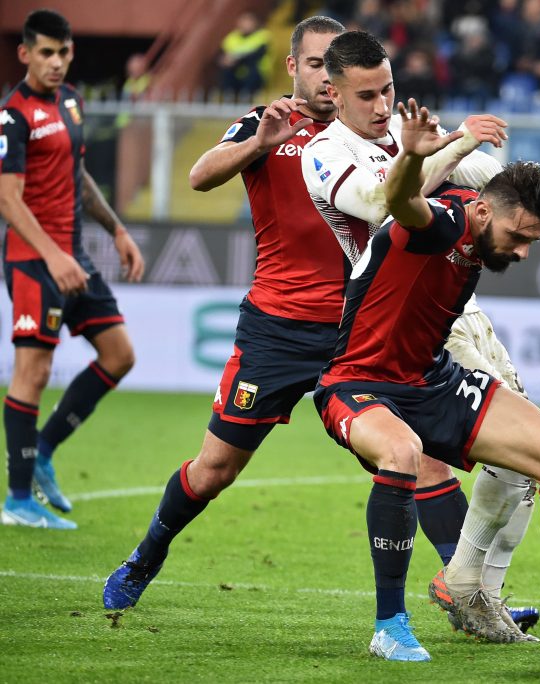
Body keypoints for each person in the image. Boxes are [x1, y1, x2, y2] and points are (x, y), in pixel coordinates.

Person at [312, 97, 540, 663]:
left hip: (432, 382)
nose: (520, 251)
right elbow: (400, 201)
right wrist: (413, 157)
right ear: (487, 215)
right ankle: (389, 623)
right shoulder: (439, 224)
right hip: (359, 384)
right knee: (402, 452)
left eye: (531, 242)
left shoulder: (480, 209)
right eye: (519, 236)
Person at [300, 31, 540, 649]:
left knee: (527, 466)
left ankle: (477, 588)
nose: (383, 105)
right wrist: (454, 143)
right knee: (477, 456)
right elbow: (387, 204)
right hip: (400, 320)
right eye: (368, 94)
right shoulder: (326, 152)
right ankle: (465, 591)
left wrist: (525, 190)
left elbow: (500, 192)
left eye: (389, 90)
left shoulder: (414, 137)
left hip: (461, 304)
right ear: (334, 93)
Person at [102, 15, 348, 608]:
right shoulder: (265, 125)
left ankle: (467, 591)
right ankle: (146, 556)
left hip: (356, 328)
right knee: (215, 469)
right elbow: (200, 174)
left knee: (417, 460)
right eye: (316, 64)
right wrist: (259, 144)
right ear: (292, 67)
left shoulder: (366, 132)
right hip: (278, 331)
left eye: (336, 68)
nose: (327, 79)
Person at [0, 9, 145, 530]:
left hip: (72, 255)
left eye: (63, 52)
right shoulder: (12, 115)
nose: (57, 62)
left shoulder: (71, 102)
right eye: (46, 53)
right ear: (25, 54)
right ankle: (17, 500)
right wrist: (53, 255)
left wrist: (117, 229)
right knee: (33, 372)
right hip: (33, 258)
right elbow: (8, 200)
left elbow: (76, 173)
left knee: (119, 354)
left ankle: (40, 450)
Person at [219, 12, 272, 97]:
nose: (245, 24)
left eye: (248, 21)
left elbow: (256, 55)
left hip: (256, 72)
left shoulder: (263, 36)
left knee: (253, 72)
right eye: (243, 21)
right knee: (226, 72)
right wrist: (224, 60)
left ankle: (246, 98)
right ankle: (228, 97)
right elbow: (222, 53)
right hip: (235, 70)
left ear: (255, 23)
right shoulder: (231, 37)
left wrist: (236, 59)